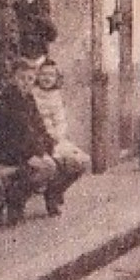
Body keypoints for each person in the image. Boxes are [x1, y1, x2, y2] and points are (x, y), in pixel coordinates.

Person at [0, 58, 81, 217]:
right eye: (21, 78)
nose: (26, 82)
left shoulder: (28, 98)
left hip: (24, 149)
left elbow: (39, 128)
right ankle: (15, 198)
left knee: (72, 163)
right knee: (48, 168)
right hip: (6, 150)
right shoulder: (8, 99)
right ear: (13, 79)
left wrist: (47, 149)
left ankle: (51, 196)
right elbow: (16, 135)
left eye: (30, 79)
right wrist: (35, 155)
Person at [31, 60, 92, 195]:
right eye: (43, 74)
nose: (47, 78)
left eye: (51, 75)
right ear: (37, 76)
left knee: (80, 162)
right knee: (52, 164)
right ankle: (46, 190)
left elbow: (60, 121)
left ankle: (55, 191)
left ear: (56, 78)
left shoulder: (56, 96)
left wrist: (57, 137)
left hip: (54, 138)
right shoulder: (32, 93)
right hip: (35, 139)